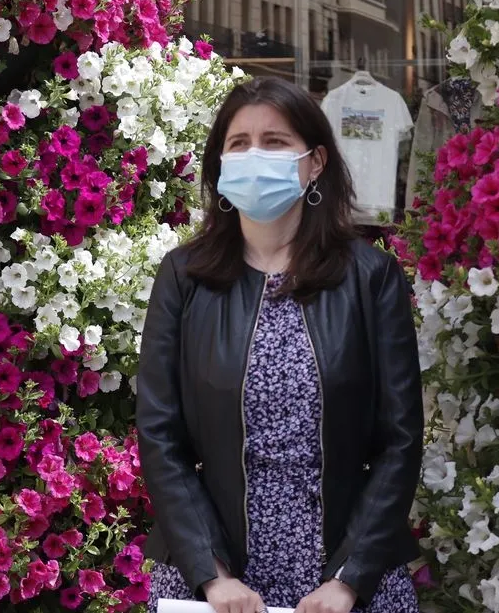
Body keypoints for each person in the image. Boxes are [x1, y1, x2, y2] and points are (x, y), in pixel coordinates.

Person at [136, 76, 424, 613]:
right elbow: (160, 435)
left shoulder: (370, 277)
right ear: (220, 165)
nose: (254, 155)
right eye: (238, 143)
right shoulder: (184, 277)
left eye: (274, 142)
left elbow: (400, 440)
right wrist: (212, 573)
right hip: (213, 579)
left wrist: (349, 578)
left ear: (314, 163)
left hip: (347, 574)